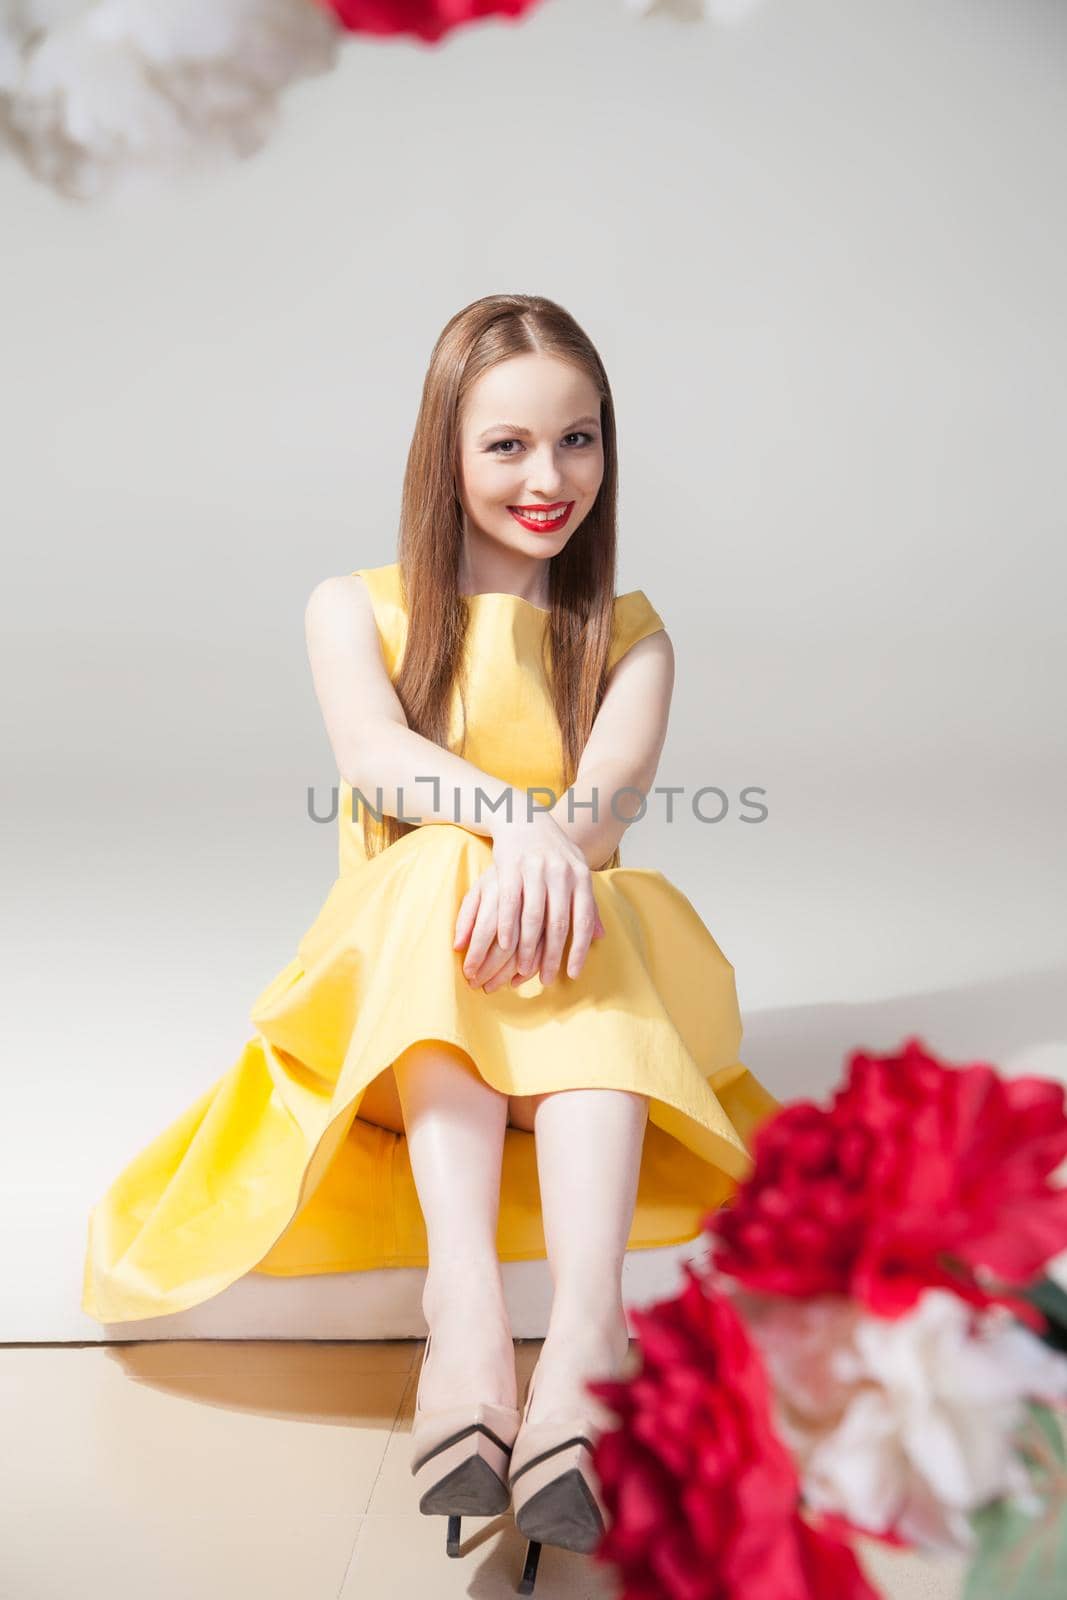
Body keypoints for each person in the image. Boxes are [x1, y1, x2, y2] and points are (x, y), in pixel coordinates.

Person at [81, 292, 781, 1590]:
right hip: (422, 1016)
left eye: (579, 441)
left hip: (587, 997)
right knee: (427, 869)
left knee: (590, 890)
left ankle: (582, 1334)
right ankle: (464, 1312)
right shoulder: (355, 609)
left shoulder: (630, 635)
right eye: (508, 444)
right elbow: (377, 757)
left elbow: (608, 804)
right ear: (445, 452)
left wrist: (542, 848)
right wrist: (510, 832)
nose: (548, 476)